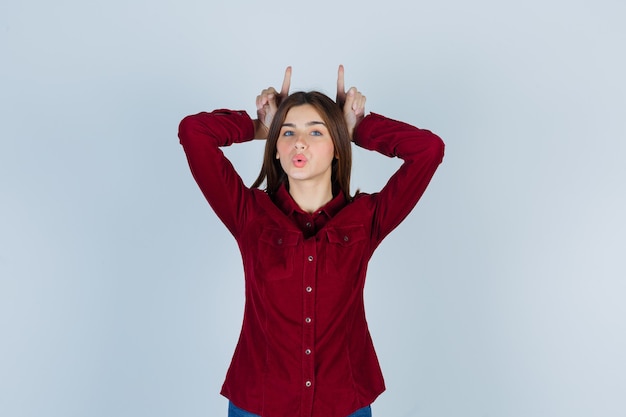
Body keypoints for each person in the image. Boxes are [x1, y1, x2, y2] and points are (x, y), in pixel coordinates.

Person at [178, 65, 445, 417]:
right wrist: (260, 127)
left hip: (343, 403)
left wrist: (360, 128)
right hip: (259, 403)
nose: (299, 141)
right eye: (287, 133)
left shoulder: (366, 219)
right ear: (276, 149)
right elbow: (194, 132)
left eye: (316, 132)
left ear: (338, 147)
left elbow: (428, 150)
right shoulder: (249, 215)